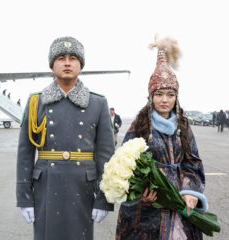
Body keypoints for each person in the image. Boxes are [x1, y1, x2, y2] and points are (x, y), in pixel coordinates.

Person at [16, 36, 115, 240]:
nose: (67, 63)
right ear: (52, 66)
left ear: (81, 65)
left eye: (73, 58)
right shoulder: (36, 102)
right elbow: (25, 153)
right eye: (61, 58)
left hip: (82, 188)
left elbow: (106, 156)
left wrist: (104, 199)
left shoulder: (98, 103)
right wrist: (24, 198)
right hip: (46, 187)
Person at [116, 37, 207, 239]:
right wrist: (139, 193)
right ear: (151, 97)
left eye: (170, 94)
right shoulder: (139, 127)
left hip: (180, 204)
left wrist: (189, 191)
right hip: (146, 211)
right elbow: (124, 166)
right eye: (159, 94)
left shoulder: (183, 127)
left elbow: (193, 163)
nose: (165, 100)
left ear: (176, 97)